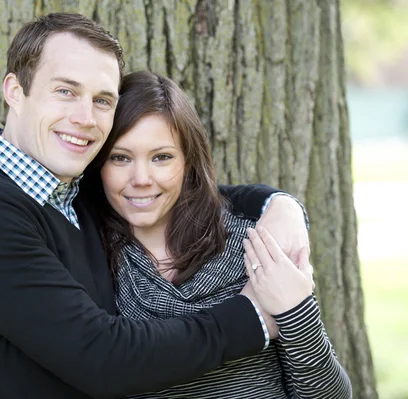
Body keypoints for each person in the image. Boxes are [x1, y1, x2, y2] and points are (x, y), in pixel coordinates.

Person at [0, 13, 312, 399]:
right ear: (15, 91)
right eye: (65, 91)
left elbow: (177, 189)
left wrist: (281, 206)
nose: (85, 118)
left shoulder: (65, 189)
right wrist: (257, 315)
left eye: (102, 100)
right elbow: (104, 358)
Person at [83, 71, 352, 398]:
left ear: (188, 161)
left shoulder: (253, 242)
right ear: (99, 165)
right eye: (120, 158)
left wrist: (297, 312)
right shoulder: (88, 253)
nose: (141, 178)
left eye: (162, 157)